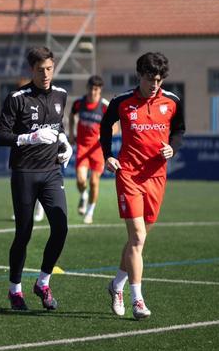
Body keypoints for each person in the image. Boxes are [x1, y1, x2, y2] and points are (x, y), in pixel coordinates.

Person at [100, 53, 184, 320]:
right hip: (129, 175)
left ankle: (116, 286)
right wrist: (108, 155)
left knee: (139, 240)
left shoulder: (172, 102)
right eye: (150, 79)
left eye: (159, 80)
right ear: (140, 76)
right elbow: (104, 127)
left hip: (157, 177)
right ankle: (138, 300)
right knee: (137, 238)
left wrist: (174, 147)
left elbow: (179, 130)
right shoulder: (122, 102)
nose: (154, 85)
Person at [0, 47, 71, 311]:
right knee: (23, 234)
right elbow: (0, 136)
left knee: (61, 228)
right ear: (32, 70)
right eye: (41, 70)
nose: (46, 74)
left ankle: (43, 282)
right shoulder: (17, 98)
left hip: (51, 172)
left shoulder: (61, 95)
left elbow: (59, 125)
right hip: (24, 173)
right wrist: (29, 137)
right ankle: (15, 289)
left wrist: (65, 143)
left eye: (50, 68)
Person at [70, 75, 110, 225]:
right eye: (92, 89)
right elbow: (72, 115)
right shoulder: (79, 103)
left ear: (100, 90)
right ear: (87, 88)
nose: (93, 92)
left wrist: (105, 134)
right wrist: (71, 134)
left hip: (97, 149)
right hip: (82, 146)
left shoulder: (105, 106)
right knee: (81, 180)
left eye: (97, 90)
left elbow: (115, 125)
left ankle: (90, 211)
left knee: (94, 181)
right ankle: (84, 196)